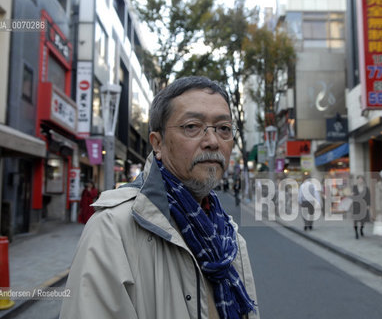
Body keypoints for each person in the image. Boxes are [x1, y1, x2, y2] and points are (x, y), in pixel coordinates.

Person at [60, 76, 258, 319]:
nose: (212, 141)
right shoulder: (113, 229)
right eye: (192, 127)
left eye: (224, 129)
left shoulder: (229, 235)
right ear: (158, 143)